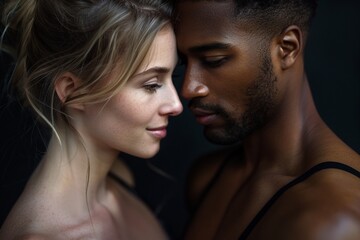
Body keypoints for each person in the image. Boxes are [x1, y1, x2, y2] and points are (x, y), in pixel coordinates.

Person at [174, 0, 360, 239]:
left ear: (287, 48)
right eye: (183, 63)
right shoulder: (206, 179)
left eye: (214, 60)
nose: (188, 88)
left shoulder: (334, 221)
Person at [0, 0, 183, 239]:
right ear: (73, 90)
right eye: (151, 85)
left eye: (173, 76)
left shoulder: (121, 177)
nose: (176, 105)